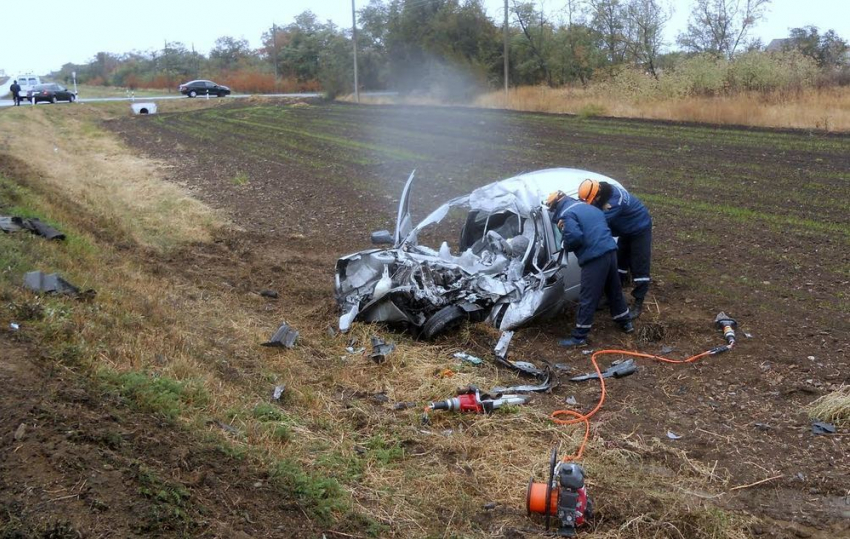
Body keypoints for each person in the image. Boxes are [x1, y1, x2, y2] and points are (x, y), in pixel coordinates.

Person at [545, 190, 633, 347]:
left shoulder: (566, 214)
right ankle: (626, 322)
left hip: (594, 257)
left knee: (588, 296)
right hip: (610, 252)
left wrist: (565, 242)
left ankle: (579, 337)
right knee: (614, 289)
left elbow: (575, 238)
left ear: (556, 205)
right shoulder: (589, 207)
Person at [578, 179, 652, 319]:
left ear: (598, 195)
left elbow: (598, 222)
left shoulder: (614, 202)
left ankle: (638, 303)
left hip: (639, 229)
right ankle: (610, 297)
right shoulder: (601, 189)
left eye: (592, 201)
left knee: (640, 266)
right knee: (619, 265)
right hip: (624, 230)